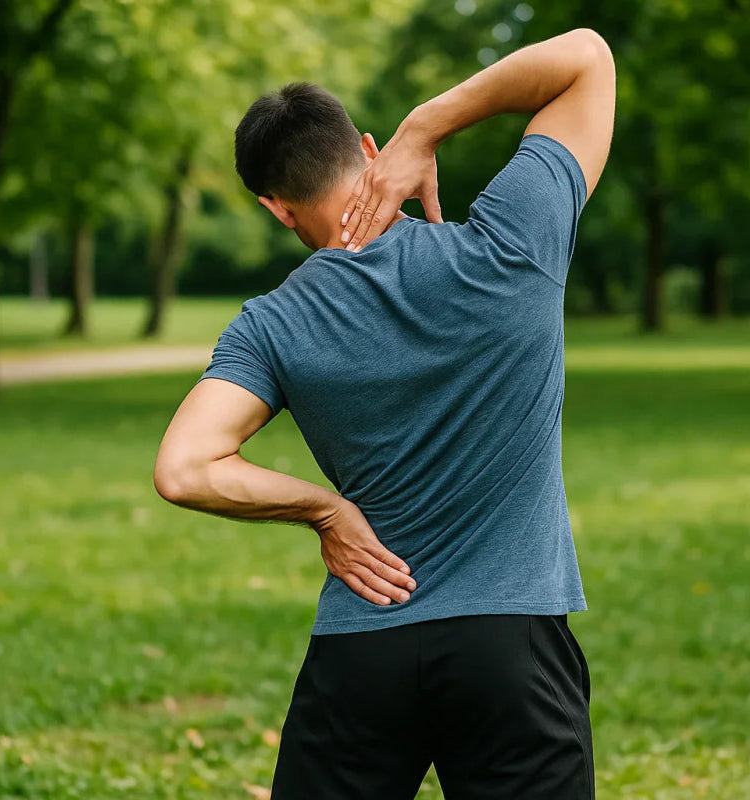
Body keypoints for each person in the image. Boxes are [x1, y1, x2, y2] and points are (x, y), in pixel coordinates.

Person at [153, 28, 615, 800]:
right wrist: (426, 125)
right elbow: (586, 58)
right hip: (513, 650)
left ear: (275, 208)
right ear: (368, 149)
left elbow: (184, 467)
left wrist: (327, 514)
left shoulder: (273, 323)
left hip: (363, 650)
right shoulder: (510, 244)